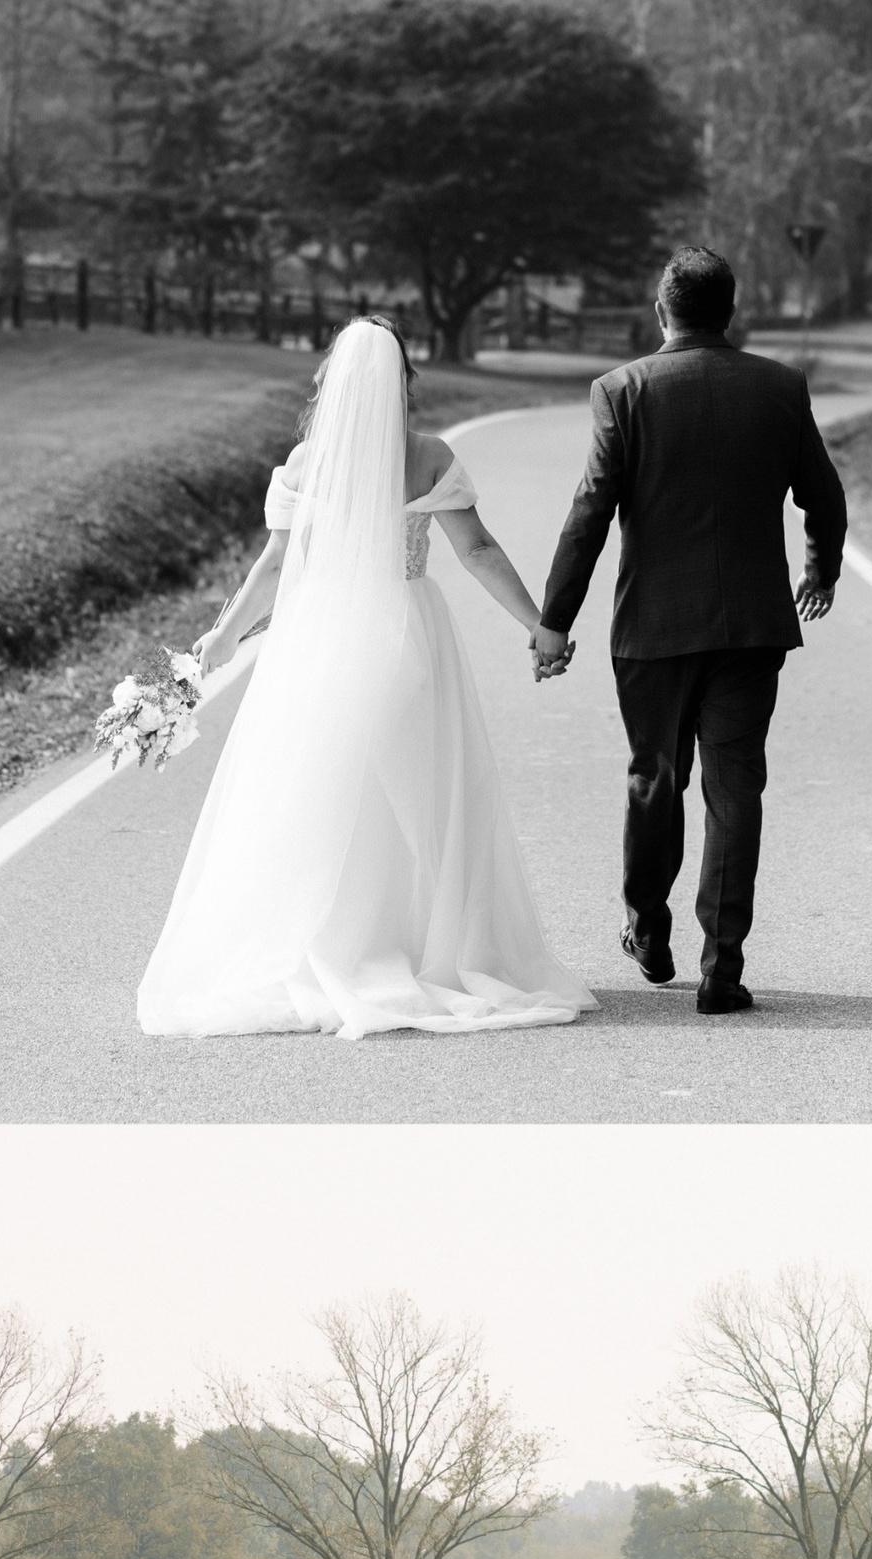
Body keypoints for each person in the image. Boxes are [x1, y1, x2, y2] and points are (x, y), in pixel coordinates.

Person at [136, 318, 593, 1040]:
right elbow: (475, 549)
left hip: (321, 636)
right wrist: (539, 625)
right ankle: (413, 944)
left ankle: (329, 942)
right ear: (404, 381)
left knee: (320, 788)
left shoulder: (307, 461)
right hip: (408, 635)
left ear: (333, 383)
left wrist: (220, 639)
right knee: (417, 789)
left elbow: (277, 565)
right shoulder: (429, 457)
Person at [536, 243, 847, 1016]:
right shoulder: (779, 387)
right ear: (730, 310)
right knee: (734, 788)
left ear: (661, 310)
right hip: (750, 626)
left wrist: (554, 620)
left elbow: (590, 512)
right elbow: (824, 495)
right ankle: (723, 968)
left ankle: (647, 928)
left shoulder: (623, 390)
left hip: (651, 627)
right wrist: (821, 569)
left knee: (655, 778)